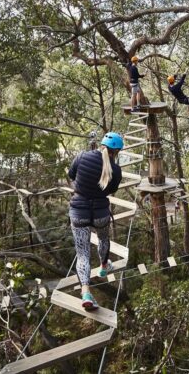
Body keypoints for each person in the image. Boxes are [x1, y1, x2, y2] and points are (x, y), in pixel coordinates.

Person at [67, 132, 123, 310]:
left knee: (82, 253)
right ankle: (103, 267)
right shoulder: (116, 170)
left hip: (79, 211)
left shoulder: (82, 156)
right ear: (117, 152)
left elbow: (71, 175)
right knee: (103, 239)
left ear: (101, 145)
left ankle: (86, 293)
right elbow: (111, 190)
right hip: (100, 213)